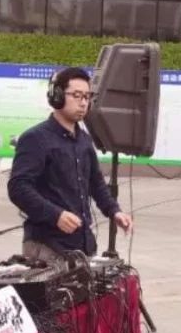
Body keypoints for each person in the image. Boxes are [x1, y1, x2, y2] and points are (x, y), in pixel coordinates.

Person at [7, 67, 133, 262]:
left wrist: (114, 211)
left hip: (82, 245)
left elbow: (96, 183)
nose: (83, 102)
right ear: (57, 96)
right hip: (47, 245)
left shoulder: (84, 140)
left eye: (87, 97)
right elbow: (18, 187)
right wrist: (55, 215)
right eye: (76, 95)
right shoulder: (35, 138)